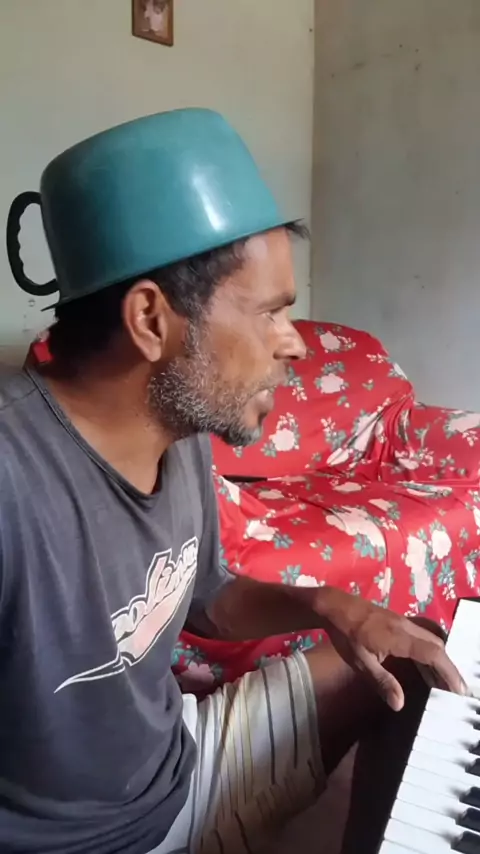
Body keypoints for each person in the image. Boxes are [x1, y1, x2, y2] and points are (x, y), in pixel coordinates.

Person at [3, 108, 464, 854]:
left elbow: (210, 599)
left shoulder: (178, 429)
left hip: (186, 768)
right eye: (271, 313)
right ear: (151, 320)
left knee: (411, 658)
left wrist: (328, 604)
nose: (294, 344)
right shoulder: (13, 479)